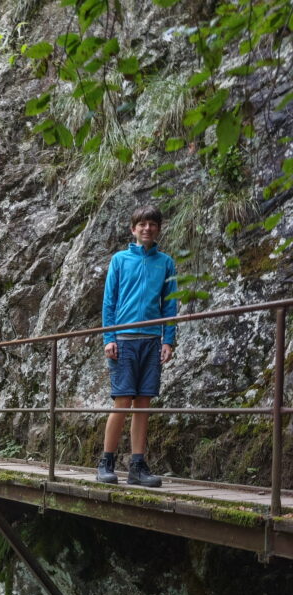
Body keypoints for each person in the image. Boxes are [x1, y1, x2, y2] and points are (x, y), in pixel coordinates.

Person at [96, 205, 178, 487]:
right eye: (142, 224)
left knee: (143, 404)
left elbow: (170, 303)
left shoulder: (165, 262)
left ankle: (137, 466)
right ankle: (106, 461)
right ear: (133, 229)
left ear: (158, 229)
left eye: (152, 224)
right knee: (122, 400)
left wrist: (168, 339)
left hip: (152, 340)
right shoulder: (120, 260)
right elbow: (109, 301)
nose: (147, 228)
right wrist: (109, 338)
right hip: (124, 340)